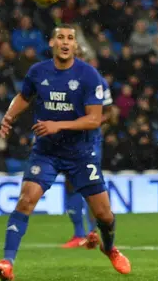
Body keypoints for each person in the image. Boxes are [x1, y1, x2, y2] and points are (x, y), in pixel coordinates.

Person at [0, 25, 131, 281]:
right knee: (26, 200)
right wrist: (9, 115)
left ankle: (108, 248)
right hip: (46, 152)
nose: (65, 42)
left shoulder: (89, 76)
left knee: (103, 214)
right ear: (52, 43)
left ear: (75, 45)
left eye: (70, 38)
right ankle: (7, 262)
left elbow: (94, 119)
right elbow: (24, 96)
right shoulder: (37, 72)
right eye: (60, 38)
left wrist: (58, 125)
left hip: (81, 152)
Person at [61, 47, 114, 249]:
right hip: (67, 140)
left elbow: (110, 112)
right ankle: (78, 233)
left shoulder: (97, 81)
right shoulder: (62, 81)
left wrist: (93, 122)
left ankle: (92, 233)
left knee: (91, 186)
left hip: (89, 141)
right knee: (70, 183)